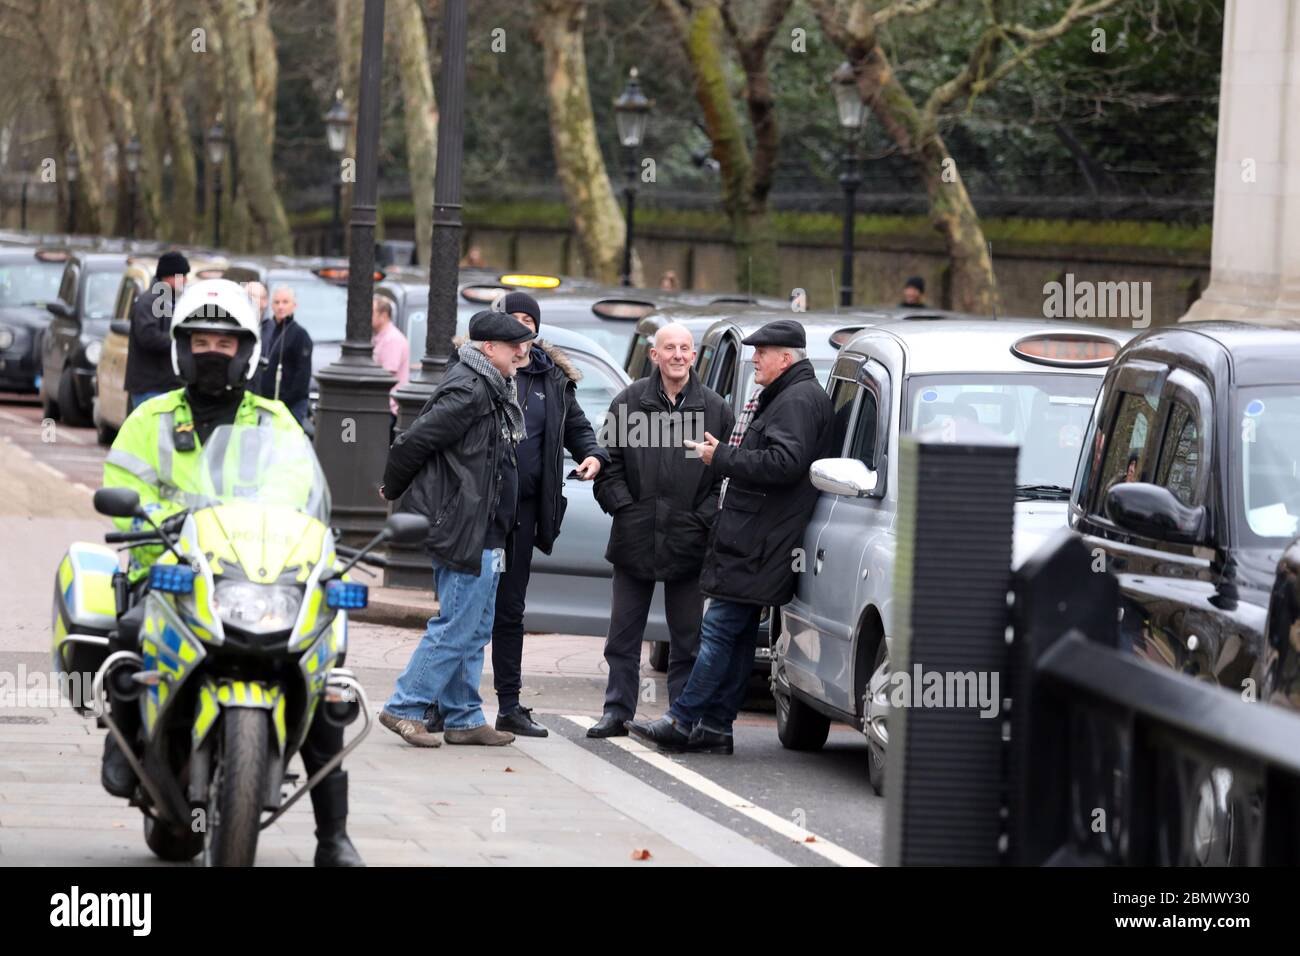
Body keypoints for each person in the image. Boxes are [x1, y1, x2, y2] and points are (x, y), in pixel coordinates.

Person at [101, 278, 363, 866]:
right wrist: (168, 529)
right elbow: (121, 488)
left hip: (257, 576)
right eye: (200, 339)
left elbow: (301, 494)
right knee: (126, 634)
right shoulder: (150, 419)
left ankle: (333, 836)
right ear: (180, 347)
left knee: (323, 665)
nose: (212, 351)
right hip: (172, 569)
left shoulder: (275, 423)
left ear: (246, 349)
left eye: (225, 340)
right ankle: (125, 745)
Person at [627, 319, 833, 755]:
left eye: (761, 353)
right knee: (735, 634)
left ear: (785, 358)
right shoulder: (786, 394)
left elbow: (782, 464)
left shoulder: (796, 400)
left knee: (719, 629)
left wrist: (719, 456)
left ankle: (682, 721)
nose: (754, 359)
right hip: (754, 536)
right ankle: (717, 727)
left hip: (760, 538)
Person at [378, 310, 534, 748]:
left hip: (489, 528)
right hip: (467, 526)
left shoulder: (493, 386)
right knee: (456, 625)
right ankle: (405, 706)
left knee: (476, 626)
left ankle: (464, 716)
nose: (521, 351)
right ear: (488, 348)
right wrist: (392, 485)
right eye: (513, 345)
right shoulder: (470, 388)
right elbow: (415, 439)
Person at [589, 323, 733, 738]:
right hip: (634, 538)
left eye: (685, 349)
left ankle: (681, 718)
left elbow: (726, 474)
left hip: (690, 541)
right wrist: (625, 508)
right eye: (669, 348)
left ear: (693, 356)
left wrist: (701, 519)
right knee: (623, 634)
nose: (677, 355)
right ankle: (617, 710)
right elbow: (607, 462)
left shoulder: (715, 409)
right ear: (654, 355)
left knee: (687, 639)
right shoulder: (629, 403)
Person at [487, 292, 606, 738]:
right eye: (514, 322)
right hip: (483, 510)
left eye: (529, 323)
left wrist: (592, 453)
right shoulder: (484, 372)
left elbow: (575, 425)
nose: (522, 332)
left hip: (526, 509)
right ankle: (445, 703)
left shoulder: (550, 377)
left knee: (511, 611)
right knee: (470, 607)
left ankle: (509, 705)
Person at [123, 251, 188, 412]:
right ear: (168, 276)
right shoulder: (148, 302)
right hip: (149, 387)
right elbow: (148, 337)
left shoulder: (174, 302)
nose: (186, 280)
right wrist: (180, 342)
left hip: (169, 385)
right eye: (182, 275)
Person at [253, 284, 313, 425]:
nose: (281, 306)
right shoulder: (264, 328)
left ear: (294, 305)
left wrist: (283, 403)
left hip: (289, 406)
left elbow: (302, 378)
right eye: (277, 302)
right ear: (271, 305)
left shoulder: (300, 335)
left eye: (285, 302)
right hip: (263, 403)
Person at [371, 295, 409, 433]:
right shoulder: (381, 338)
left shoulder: (392, 340)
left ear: (384, 315)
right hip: (382, 407)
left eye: (372, 313)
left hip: (388, 409)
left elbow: (386, 375)